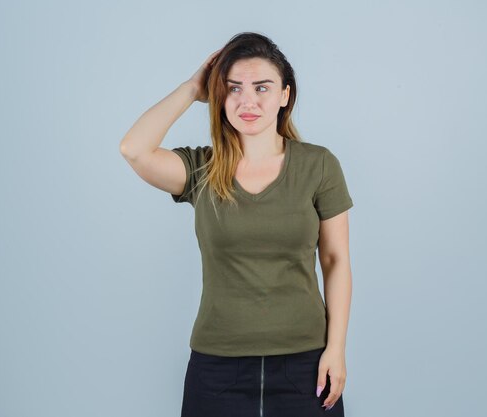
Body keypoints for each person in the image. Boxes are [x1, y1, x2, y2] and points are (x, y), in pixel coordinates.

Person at [120, 32, 353, 417]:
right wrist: (192, 87)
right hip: (217, 368)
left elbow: (335, 260)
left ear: (284, 95)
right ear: (219, 97)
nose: (248, 101)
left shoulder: (319, 165)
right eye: (233, 89)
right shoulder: (201, 168)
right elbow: (134, 149)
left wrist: (336, 349)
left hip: (305, 364)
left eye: (262, 87)